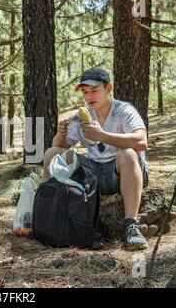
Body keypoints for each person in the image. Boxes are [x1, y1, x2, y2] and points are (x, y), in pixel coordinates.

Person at [43, 67, 149, 251]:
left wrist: (103, 136)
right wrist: (61, 133)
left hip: (121, 171)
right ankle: (53, 214)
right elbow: (60, 147)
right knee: (51, 154)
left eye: (94, 91)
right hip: (94, 173)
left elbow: (141, 142)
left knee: (128, 153)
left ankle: (131, 226)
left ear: (109, 88)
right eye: (85, 92)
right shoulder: (82, 116)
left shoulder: (124, 110)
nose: (89, 96)